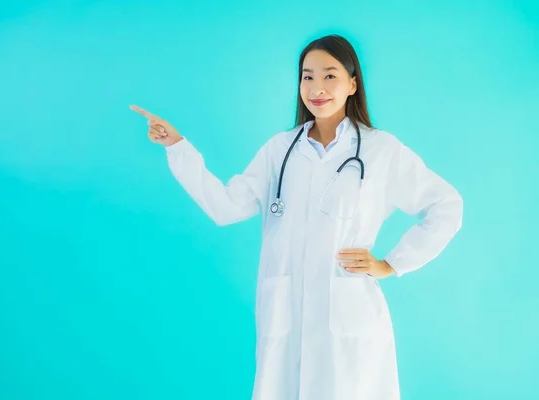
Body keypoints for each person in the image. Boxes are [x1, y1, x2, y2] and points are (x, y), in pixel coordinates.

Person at [130, 34, 463, 400]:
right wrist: (178, 148)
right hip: (284, 318)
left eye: (330, 76)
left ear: (353, 84)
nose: (317, 87)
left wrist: (392, 264)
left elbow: (446, 205)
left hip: (348, 323)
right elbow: (225, 208)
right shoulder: (279, 150)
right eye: (307, 76)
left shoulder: (380, 150)